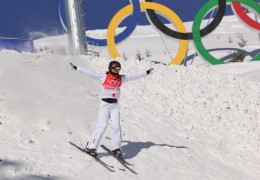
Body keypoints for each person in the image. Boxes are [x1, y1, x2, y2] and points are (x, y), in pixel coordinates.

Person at [70, 61, 153, 157]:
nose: (116, 71)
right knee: (102, 126)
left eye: (118, 69)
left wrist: (146, 72)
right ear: (110, 69)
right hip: (105, 105)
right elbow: (90, 73)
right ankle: (91, 147)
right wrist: (77, 68)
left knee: (117, 126)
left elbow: (134, 76)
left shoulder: (121, 78)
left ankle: (116, 148)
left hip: (115, 106)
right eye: (114, 69)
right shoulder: (104, 77)